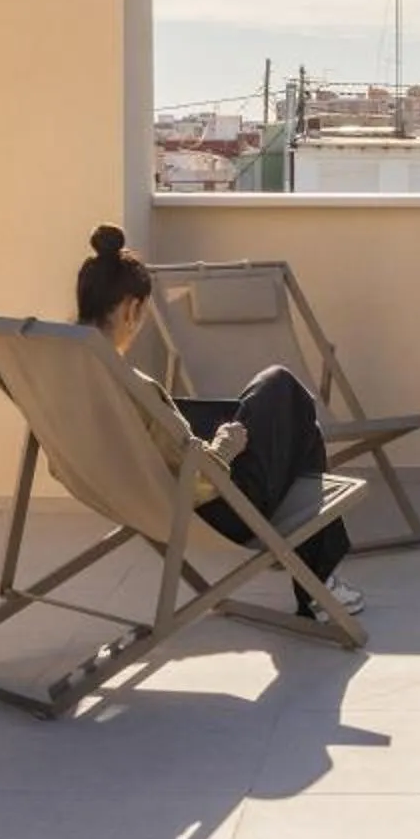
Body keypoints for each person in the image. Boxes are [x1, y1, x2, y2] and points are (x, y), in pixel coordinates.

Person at [74, 224, 361, 621]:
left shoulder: (65, 368)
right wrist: (224, 446)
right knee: (284, 389)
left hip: (133, 490)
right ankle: (319, 580)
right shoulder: (134, 387)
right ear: (131, 309)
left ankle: (320, 577)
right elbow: (199, 479)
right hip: (215, 507)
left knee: (279, 417)